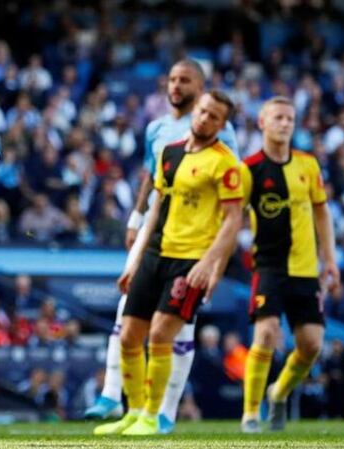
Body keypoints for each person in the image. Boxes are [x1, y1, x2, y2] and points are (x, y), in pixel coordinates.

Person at [87, 59, 239, 434]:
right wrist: (135, 249)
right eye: (202, 113)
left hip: (191, 258)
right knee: (129, 332)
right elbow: (155, 201)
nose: (204, 119)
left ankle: (159, 414)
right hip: (155, 250)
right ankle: (132, 411)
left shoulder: (226, 159)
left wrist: (213, 265)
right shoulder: (166, 145)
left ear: (221, 123)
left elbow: (233, 216)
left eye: (212, 116)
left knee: (165, 335)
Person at [239, 96, 339, 433]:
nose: (285, 123)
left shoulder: (308, 165)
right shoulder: (249, 168)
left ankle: (278, 392)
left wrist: (330, 259)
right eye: (278, 117)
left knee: (311, 345)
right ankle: (251, 414)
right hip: (268, 267)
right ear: (262, 123)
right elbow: (231, 218)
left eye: (290, 119)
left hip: (306, 269)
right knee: (266, 333)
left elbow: (322, 213)